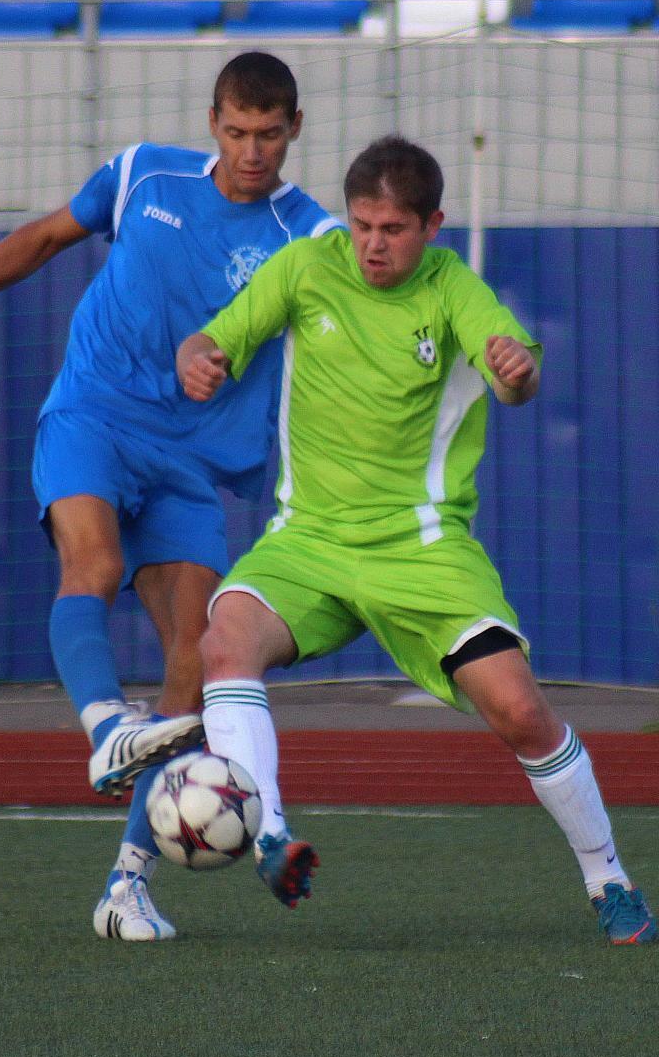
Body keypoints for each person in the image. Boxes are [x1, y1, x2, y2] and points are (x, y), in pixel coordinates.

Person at [0, 52, 342, 943]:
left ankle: (126, 886)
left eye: (269, 134)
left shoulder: (311, 237)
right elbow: (44, 238)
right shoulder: (143, 174)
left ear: (295, 129)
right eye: (237, 132)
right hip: (93, 412)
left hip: (190, 460)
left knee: (194, 660)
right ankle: (105, 727)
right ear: (212, 123)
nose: (252, 151)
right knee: (90, 565)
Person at [177, 134, 657, 944]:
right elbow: (210, 339)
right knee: (224, 642)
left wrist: (516, 369)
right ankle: (269, 838)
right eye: (362, 224)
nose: (373, 244)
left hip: (422, 548)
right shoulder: (305, 268)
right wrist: (199, 359)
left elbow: (517, 377)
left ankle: (608, 878)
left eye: (393, 229)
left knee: (521, 711)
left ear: (431, 226)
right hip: (309, 541)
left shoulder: (453, 288)